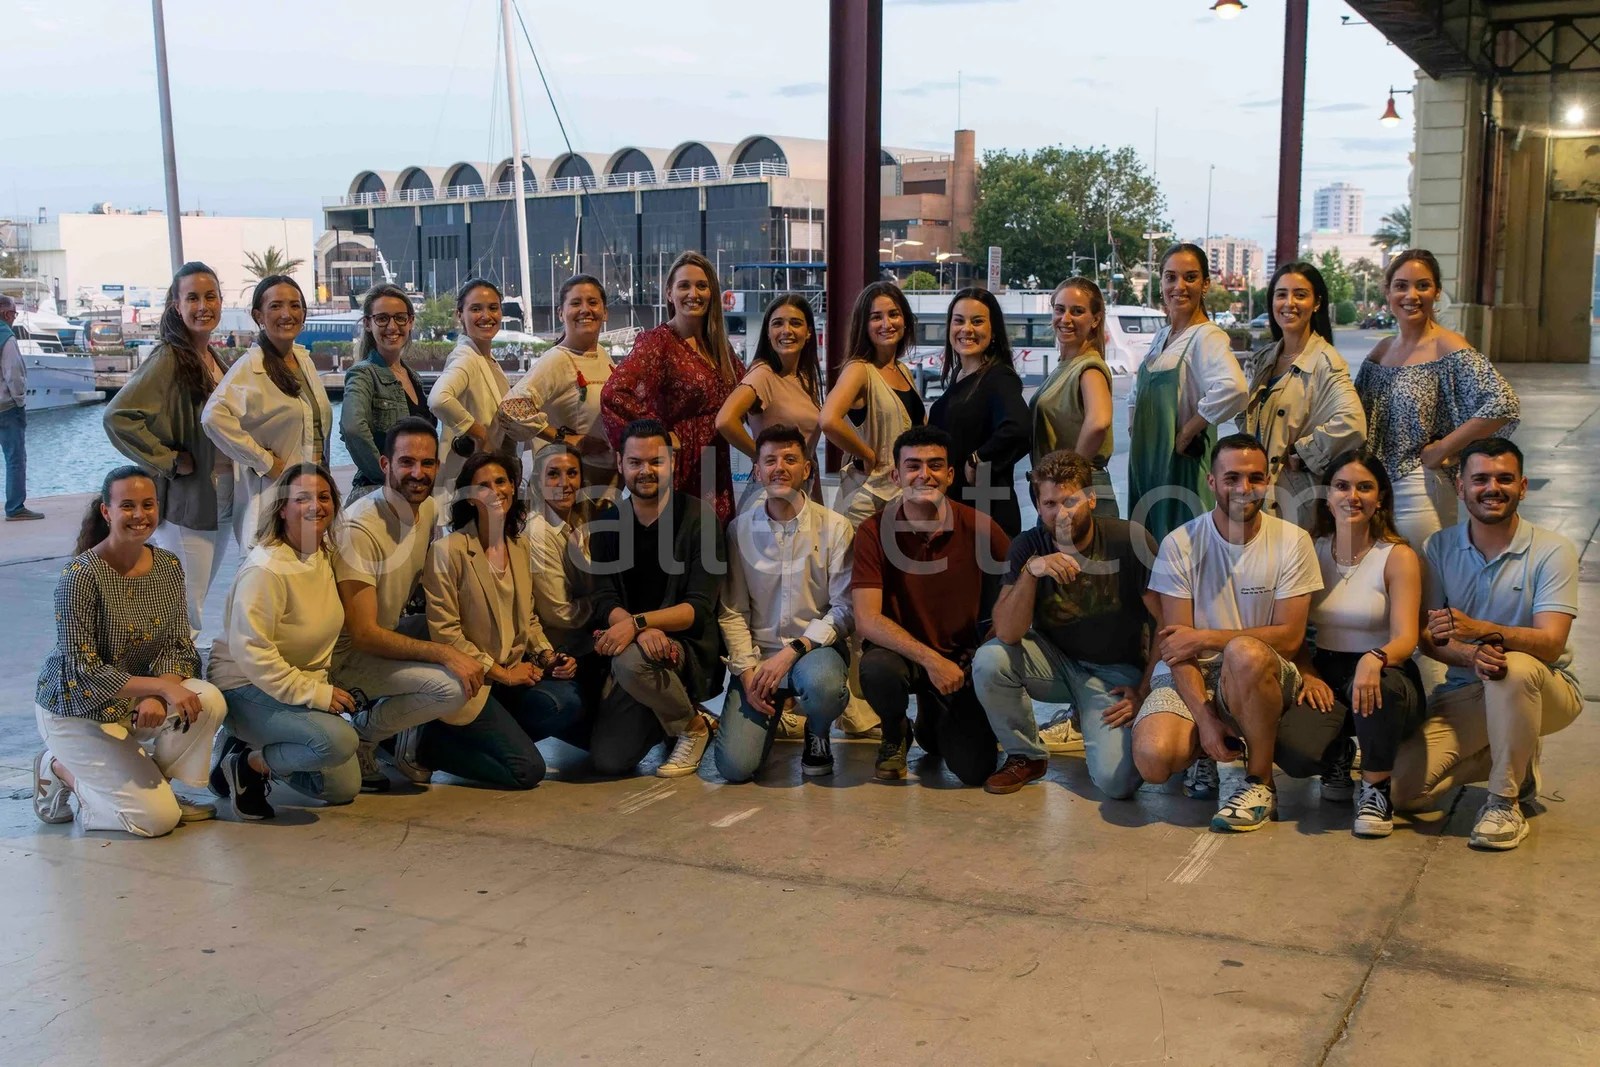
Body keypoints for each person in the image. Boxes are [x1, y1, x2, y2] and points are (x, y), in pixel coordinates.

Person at [1131, 434, 1336, 832]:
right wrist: (1205, 720)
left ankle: (1259, 782)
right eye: (1232, 478)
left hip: (1260, 669)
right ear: (1212, 482)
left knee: (1244, 651)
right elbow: (1176, 648)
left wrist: (1206, 637)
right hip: (1190, 672)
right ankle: (1203, 751)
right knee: (1154, 762)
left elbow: (1290, 638)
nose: (1244, 489)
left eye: (1255, 478)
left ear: (1268, 481)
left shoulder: (1292, 542)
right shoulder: (1180, 543)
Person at [1395, 438, 1582, 851]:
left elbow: (1550, 645)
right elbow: (1430, 638)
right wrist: (1469, 654)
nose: (1492, 488)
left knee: (1512, 669)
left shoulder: (1552, 551)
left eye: (1504, 478)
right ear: (1460, 488)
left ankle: (1503, 802)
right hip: (1466, 689)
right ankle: (1517, 760)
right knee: (1402, 793)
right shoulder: (1440, 547)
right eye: (1479, 479)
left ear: (1523, 486)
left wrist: (1479, 630)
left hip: (1544, 687)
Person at [32, 466, 227, 835]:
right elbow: (82, 670)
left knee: (208, 699)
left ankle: (158, 788)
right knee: (155, 822)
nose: (140, 515)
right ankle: (60, 769)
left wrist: (160, 689)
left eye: (148, 504)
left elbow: (178, 646)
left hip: (130, 701)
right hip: (77, 710)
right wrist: (157, 688)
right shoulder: (80, 576)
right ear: (107, 512)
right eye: (128, 506)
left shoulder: (167, 565)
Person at [974, 450, 1157, 798]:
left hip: (1113, 674)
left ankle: (1090, 719)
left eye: (1070, 501)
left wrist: (1145, 690)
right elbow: (1008, 631)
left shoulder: (1128, 540)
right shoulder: (1028, 545)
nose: (1061, 514)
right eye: (1050, 504)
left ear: (1090, 498)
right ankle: (1026, 755)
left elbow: (1167, 622)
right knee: (990, 659)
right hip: (1054, 662)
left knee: (1117, 784)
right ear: (1039, 507)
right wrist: (1031, 571)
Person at [853, 426, 1011, 787]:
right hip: (901, 655)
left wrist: (989, 644)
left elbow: (1018, 589)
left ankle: (930, 719)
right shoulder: (873, 532)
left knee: (975, 770)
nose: (924, 474)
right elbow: (866, 619)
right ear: (896, 476)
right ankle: (895, 729)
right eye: (913, 466)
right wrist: (930, 660)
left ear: (951, 474)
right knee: (877, 669)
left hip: (960, 661)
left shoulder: (980, 528)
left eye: (936, 465)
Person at [329, 418, 480, 793]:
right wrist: (443, 653)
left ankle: (402, 733)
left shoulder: (426, 508)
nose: (418, 473)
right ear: (385, 465)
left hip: (390, 629)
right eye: (406, 462)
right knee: (451, 688)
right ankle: (364, 735)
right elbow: (363, 635)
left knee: (468, 629)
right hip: (343, 658)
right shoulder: (359, 530)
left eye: (427, 463)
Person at [418, 451, 585, 790]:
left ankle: (493, 737)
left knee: (567, 704)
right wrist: (503, 674)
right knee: (526, 771)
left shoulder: (518, 546)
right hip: (472, 682)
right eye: (483, 485)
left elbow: (531, 618)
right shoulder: (448, 551)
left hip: (511, 678)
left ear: (513, 486)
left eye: (501, 481)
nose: (495, 491)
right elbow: (446, 635)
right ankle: (427, 746)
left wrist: (546, 656)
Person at [207, 464, 359, 819]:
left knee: (341, 789)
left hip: (292, 684)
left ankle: (248, 746)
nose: (315, 506)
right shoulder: (266, 569)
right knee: (338, 741)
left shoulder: (321, 554)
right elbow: (254, 654)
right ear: (282, 508)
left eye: (323, 497)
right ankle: (248, 763)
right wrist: (316, 695)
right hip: (244, 684)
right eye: (301, 498)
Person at [1294, 451, 1425, 838]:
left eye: (1365, 487)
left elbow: (1406, 636)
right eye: (1342, 486)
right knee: (1295, 751)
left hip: (1387, 673)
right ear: (1327, 495)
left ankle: (1375, 788)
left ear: (1380, 498)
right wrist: (1304, 671)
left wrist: (1376, 657)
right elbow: (1293, 628)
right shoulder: (1309, 549)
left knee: (1377, 687)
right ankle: (1336, 753)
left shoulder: (1397, 556)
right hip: (1325, 669)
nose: (1353, 496)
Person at [714, 425, 854, 782]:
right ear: (757, 470)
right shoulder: (739, 530)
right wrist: (747, 673)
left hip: (812, 652)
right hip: (759, 659)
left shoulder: (835, 527)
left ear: (807, 469)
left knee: (822, 687)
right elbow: (732, 611)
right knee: (734, 768)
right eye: (770, 460)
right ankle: (771, 710)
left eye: (790, 459)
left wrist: (792, 650)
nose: (780, 468)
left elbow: (844, 609)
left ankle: (816, 731)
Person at [587, 419, 726, 777]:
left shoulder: (700, 519)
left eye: (656, 462)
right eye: (635, 462)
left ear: (673, 463)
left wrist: (638, 624)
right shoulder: (607, 523)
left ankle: (689, 727)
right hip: (631, 649)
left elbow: (698, 608)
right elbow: (603, 599)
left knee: (632, 663)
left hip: (685, 648)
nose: (645, 470)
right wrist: (638, 631)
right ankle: (687, 718)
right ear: (620, 463)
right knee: (609, 760)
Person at [1354, 249, 1519, 548]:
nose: (1411, 295)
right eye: (1401, 285)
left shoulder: (1447, 345)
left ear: (1437, 291)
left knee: (1425, 583)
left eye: (1423, 285)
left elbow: (1503, 403)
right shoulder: (1381, 351)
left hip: (1418, 489)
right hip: (1373, 488)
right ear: (1388, 292)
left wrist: (1442, 448)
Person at [104, 262, 235, 638]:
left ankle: (177, 678)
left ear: (221, 302)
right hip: (188, 501)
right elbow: (119, 417)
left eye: (210, 296)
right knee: (184, 606)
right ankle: (172, 685)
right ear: (176, 305)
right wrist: (168, 461)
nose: (202, 305)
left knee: (194, 598)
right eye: (192, 297)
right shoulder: (169, 357)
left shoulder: (210, 357)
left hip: (219, 497)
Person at [600, 252, 745, 526]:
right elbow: (614, 394)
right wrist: (660, 434)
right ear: (669, 293)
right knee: (680, 548)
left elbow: (748, 391)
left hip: (715, 466)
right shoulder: (658, 343)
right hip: (680, 467)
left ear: (712, 292)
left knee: (713, 549)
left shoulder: (719, 348)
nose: (694, 293)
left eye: (702, 286)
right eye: (684, 286)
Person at [1127, 243, 1248, 545]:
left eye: (1190, 277)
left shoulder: (1206, 336)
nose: (1179, 286)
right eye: (1171, 278)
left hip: (1181, 468)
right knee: (1148, 551)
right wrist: (1135, 429)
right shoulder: (1161, 336)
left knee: (1182, 555)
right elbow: (1135, 392)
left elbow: (1233, 388)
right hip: (1147, 464)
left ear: (1205, 284)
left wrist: (1188, 431)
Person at [202, 275, 332, 548]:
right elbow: (213, 417)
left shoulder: (303, 361)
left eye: (295, 306)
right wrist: (265, 462)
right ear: (258, 315)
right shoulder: (251, 367)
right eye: (276, 306)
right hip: (273, 501)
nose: (287, 314)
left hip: (310, 496)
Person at [1237, 262, 1366, 530]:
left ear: (1317, 302)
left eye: (1300, 294)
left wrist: (1304, 452)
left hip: (1293, 500)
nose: (1289, 303)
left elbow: (1352, 422)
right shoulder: (1266, 357)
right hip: (1256, 494)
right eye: (1281, 294)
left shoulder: (1325, 361)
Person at [818, 281, 925, 528]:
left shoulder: (903, 371)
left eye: (894, 314)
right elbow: (828, 419)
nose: (887, 324)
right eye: (876, 317)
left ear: (905, 320)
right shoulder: (859, 370)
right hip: (866, 503)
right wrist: (865, 453)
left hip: (900, 499)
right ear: (864, 326)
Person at [928, 287, 1031, 538]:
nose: (966, 329)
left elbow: (1019, 428)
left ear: (993, 330)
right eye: (959, 321)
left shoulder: (998, 377)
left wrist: (977, 458)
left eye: (977, 321)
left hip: (986, 513)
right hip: (959, 510)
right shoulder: (959, 376)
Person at [501, 273, 616, 489]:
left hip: (606, 479)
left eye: (593, 302)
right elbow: (510, 408)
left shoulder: (601, 353)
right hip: (571, 480)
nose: (585, 309)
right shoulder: (557, 359)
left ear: (605, 312)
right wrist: (564, 438)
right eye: (575, 303)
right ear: (561, 314)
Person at [715, 293, 825, 501]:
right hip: (770, 495)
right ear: (768, 332)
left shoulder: (803, 377)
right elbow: (724, 421)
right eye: (778, 323)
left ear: (808, 332)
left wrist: (817, 503)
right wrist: (761, 457)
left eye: (795, 323)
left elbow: (809, 451)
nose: (787, 330)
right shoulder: (763, 374)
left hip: (801, 492)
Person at [1030, 277, 1118, 515]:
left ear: (1095, 319)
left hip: (1078, 492)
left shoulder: (1088, 367)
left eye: (1077, 311)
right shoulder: (1066, 366)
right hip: (1063, 490)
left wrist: (1071, 478)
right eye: (1060, 309)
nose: (1065, 319)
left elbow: (1099, 422)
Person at [340, 283, 435, 501]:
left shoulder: (413, 377)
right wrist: (390, 480)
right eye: (382, 319)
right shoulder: (363, 374)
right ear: (367, 324)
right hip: (378, 496)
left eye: (400, 318)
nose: (392, 326)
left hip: (412, 494)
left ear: (410, 322)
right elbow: (352, 428)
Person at [430, 278, 519, 496]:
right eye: (476, 309)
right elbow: (438, 399)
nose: (486, 316)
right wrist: (480, 434)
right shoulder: (466, 357)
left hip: (486, 479)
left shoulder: (486, 360)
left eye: (493, 308)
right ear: (459, 314)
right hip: (466, 482)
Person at [0, 293, 42, 520]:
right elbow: (13, 374)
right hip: (6, 408)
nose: (14, 318)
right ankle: (15, 508)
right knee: (15, 458)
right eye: (14, 313)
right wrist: (19, 400)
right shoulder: (6, 338)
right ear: (6, 313)